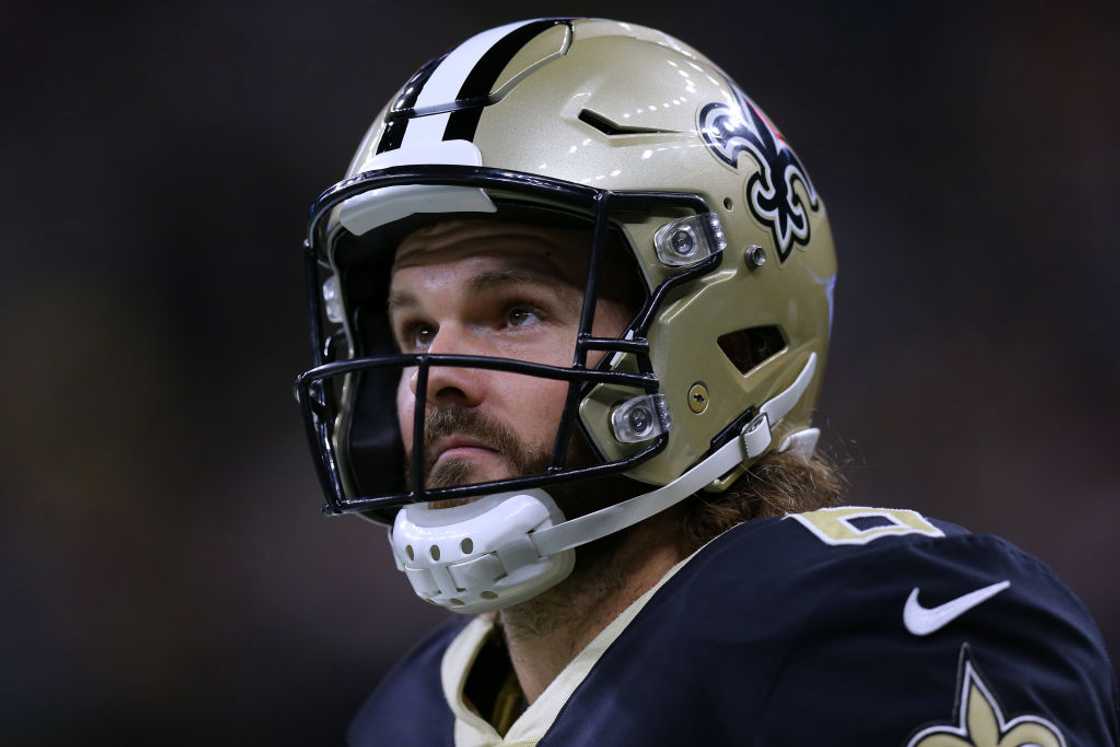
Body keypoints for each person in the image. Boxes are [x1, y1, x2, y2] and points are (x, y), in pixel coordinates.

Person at [294, 18, 1118, 746]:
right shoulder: (406, 714)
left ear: (730, 335)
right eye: (415, 330)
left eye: (513, 311)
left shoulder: (887, 630)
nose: (438, 377)